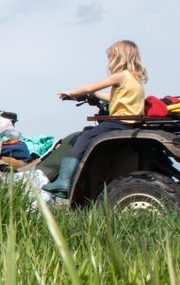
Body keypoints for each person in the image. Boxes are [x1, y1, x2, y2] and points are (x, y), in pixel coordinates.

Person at [45, 39, 147, 196]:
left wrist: (73, 92)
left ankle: (64, 181)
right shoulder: (135, 78)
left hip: (119, 122)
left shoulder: (120, 76)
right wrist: (95, 95)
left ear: (117, 57)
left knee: (83, 138)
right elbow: (113, 98)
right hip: (130, 123)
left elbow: (92, 86)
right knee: (90, 134)